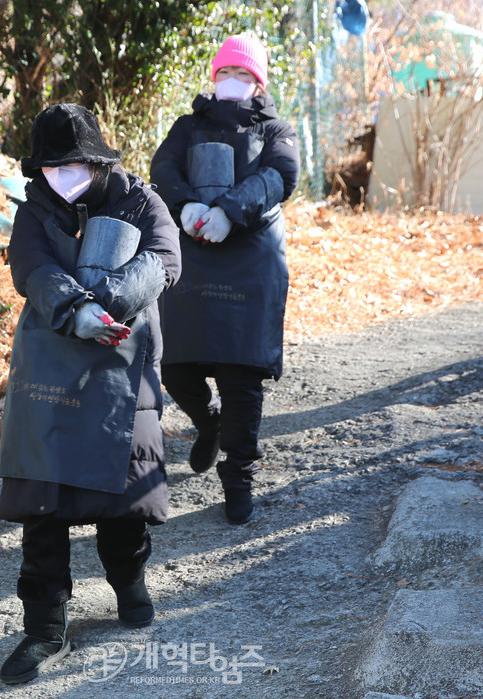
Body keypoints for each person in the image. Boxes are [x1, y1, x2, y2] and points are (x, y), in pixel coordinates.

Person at [0, 103, 181, 684]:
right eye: (52, 167)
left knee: (119, 494)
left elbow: (164, 258)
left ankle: (129, 581)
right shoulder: (35, 210)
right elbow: (29, 266)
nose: (62, 176)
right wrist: (75, 308)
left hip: (122, 357)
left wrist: (110, 298)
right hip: (50, 360)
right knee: (42, 502)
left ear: (98, 161)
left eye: (74, 164)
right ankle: (44, 628)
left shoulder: (140, 200)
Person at [150, 34, 300, 524]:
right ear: (213, 78)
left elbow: (279, 175)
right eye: (224, 73)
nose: (231, 82)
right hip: (193, 253)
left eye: (243, 75)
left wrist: (231, 212)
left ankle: (238, 476)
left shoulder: (277, 130)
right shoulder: (188, 126)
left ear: (258, 84)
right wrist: (188, 203)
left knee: (241, 377)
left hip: (251, 258)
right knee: (177, 366)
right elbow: (163, 167)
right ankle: (206, 421)